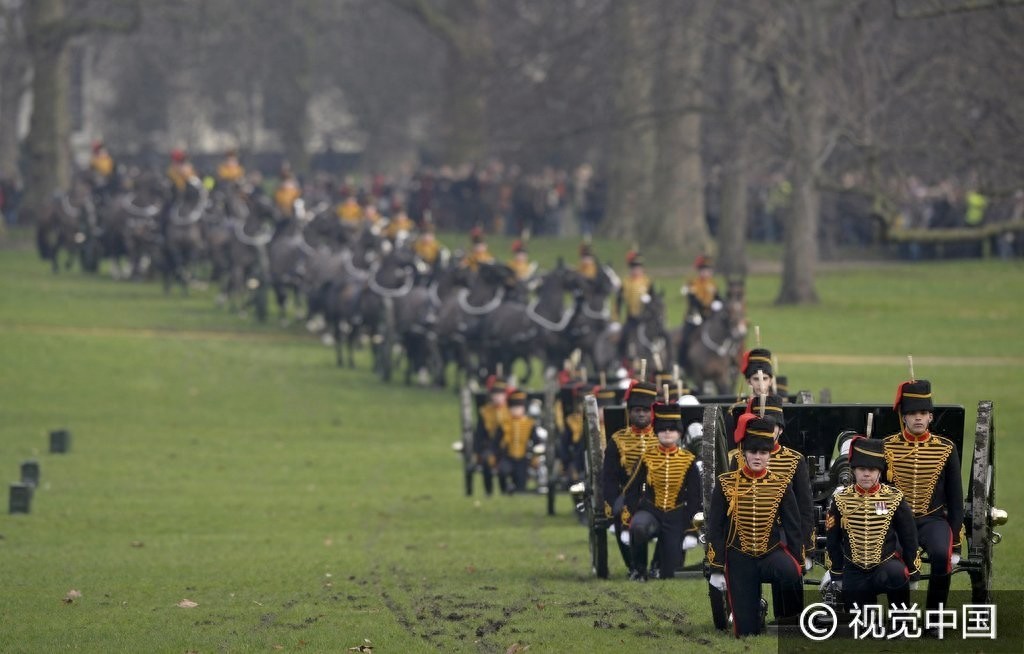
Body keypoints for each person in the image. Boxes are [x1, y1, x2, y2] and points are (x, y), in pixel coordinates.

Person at [706, 416, 805, 637]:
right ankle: (753, 608)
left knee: (791, 572)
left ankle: (787, 613)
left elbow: (793, 525)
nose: (758, 457)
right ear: (744, 453)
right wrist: (716, 567)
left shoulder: (781, 484)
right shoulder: (725, 483)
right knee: (747, 633)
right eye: (753, 452)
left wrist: (799, 559)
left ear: (769, 454)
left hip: (770, 552)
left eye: (763, 453)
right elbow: (715, 527)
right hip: (739, 557)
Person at [882, 379, 963, 611]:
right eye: (912, 413)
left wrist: (955, 540)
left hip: (932, 520)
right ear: (903, 417)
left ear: (931, 417)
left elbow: (955, 499)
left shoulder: (946, 448)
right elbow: (882, 493)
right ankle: (901, 617)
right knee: (893, 558)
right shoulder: (887, 446)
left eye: (923, 413)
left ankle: (935, 617)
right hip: (897, 522)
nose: (918, 417)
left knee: (940, 555)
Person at [824, 436, 919, 614]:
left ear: (880, 472)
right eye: (861, 469)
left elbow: (909, 536)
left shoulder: (895, 497)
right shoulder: (839, 499)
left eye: (872, 469)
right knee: (860, 627)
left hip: (886, 565)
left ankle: (900, 622)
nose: (866, 474)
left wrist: (912, 570)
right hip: (854, 569)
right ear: (853, 470)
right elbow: (833, 539)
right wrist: (837, 571)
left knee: (897, 573)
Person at [621, 402, 701, 581]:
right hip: (650, 510)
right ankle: (639, 570)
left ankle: (658, 566)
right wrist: (627, 523)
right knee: (639, 528)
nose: (667, 433)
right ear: (657, 432)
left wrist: (690, 530)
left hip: (676, 516)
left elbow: (694, 497)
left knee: (670, 574)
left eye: (672, 429)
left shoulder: (688, 461)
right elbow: (631, 489)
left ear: (679, 433)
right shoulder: (646, 457)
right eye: (663, 429)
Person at [600, 379, 657, 575]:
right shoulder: (617, 440)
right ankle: (632, 565)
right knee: (618, 511)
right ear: (629, 412)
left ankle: (658, 565)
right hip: (626, 494)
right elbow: (609, 478)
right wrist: (614, 501)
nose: (641, 413)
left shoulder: (662, 437)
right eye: (636, 409)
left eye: (646, 409)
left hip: (656, 494)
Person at [678, 255, 722, 373]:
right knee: (685, 340)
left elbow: (718, 298)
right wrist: (705, 307)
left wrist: (718, 304)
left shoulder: (713, 284)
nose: (706, 273)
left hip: (710, 318)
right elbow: (693, 301)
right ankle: (681, 365)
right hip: (695, 317)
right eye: (703, 270)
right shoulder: (693, 284)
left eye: (708, 270)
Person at [496, 390, 540, 494]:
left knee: (521, 486)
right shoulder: (504, 423)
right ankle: (504, 490)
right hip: (508, 457)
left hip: (523, 459)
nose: (516, 410)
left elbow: (536, 441)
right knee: (503, 471)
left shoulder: (529, 424)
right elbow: (496, 442)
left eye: (519, 407)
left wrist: (535, 456)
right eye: (513, 408)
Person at [473, 378, 510, 496]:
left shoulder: (510, 411)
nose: (497, 397)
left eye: (500, 394)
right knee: (486, 460)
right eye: (495, 394)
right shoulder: (485, 412)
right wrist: (478, 451)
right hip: (490, 446)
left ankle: (505, 490)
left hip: (507, 447)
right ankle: (488, 491)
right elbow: (479, 434)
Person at [615, 250, 651, 364]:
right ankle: (620, 361)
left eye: (639, 267)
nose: (636, 270)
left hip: (647, 319)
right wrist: (616, 318)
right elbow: (618, 302)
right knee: (623, 337)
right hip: (631, 318)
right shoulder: (625, 283)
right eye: (634, 267)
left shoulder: (647, 282)